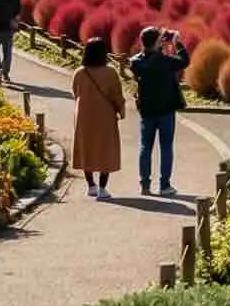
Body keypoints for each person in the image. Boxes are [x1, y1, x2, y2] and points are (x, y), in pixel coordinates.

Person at [128, 25, 190, 195]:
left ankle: (145, 185)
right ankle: (164, 185)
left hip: (147, 110)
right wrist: (176, 43)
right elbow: (184, 61)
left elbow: (138, 64)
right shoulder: (165, 61)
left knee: (145, 147)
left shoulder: (136, 62)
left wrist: (159, 43)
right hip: (166, 110)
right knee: (166, 147)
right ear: (157, 42)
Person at [70, 36, 126, 199]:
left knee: (86, 147)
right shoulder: (110, 73)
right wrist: (121, 110)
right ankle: (102, 188)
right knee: (105, 149)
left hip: (84, 115)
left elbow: (75, 92)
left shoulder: (80, 72)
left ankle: (91, 185)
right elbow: (117, 95)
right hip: (105, 115)